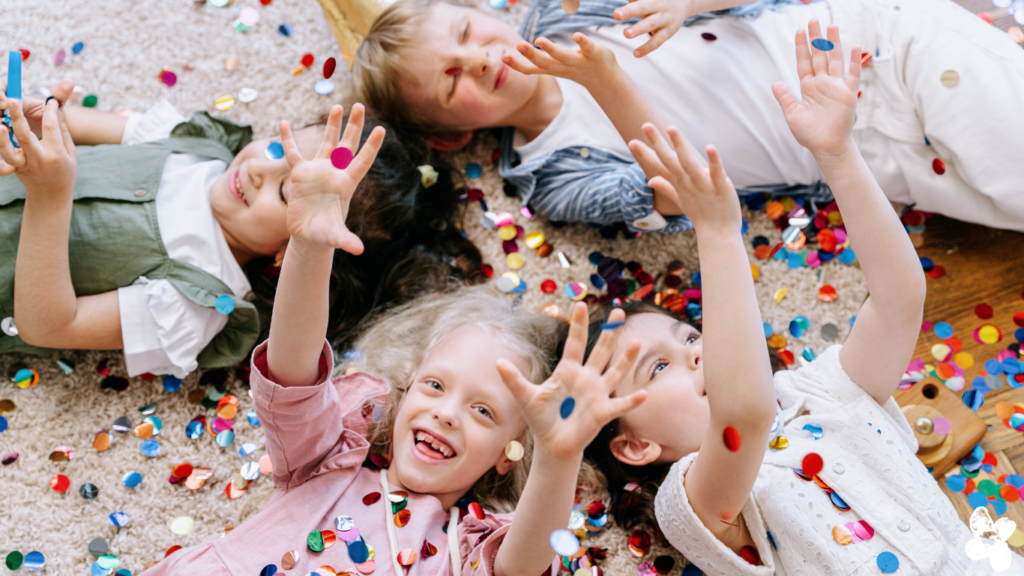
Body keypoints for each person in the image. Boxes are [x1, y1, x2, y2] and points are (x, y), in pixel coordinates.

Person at [579, 22, 1024, 574]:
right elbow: (744, 415)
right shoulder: (686, 501)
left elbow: (899, 298)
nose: (697, 351)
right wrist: (717, 230)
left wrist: (837, 154)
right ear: (634, 446)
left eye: (690, 335)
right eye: (658, 367)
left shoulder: (815, 395)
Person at [144, 104, 648, 574]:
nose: (447, 413)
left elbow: (526, 563)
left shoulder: (470, 547)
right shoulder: (327, 459)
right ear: (402, 396)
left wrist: (558, 456)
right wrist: (310, 245)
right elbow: (292, 369)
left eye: (483, 411)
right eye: (434, 386)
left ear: (507, 452)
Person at [352, 0, 1024, 233]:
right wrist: (605, 81)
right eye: (450, 83)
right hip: (876, 162)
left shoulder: (569, 12)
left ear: (485, 11)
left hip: (869, 48)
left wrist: (685, 6)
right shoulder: (552, 178)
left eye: (468, 31)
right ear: (451, 134)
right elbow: (678, 196)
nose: (478, 59)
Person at [0, 79, 482, 378]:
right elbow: (71, 123)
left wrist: (49, 194)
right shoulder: (199, 146)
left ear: (289, 256)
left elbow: (49, 325)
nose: (258, 172)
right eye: (279, 152)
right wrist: (38, 119)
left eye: (286, 193)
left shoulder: (195, 300)